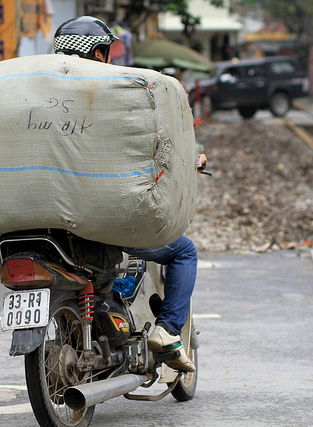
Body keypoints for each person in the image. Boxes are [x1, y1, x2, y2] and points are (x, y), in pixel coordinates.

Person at [53, 16, 207, 372]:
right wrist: (191, 158)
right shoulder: (117, 90)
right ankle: (168, 331)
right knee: (184, 251)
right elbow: (156, 139)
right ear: (98, 53)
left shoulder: (41, 90)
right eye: (107, 51)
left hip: (48, 222)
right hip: (103, 219)